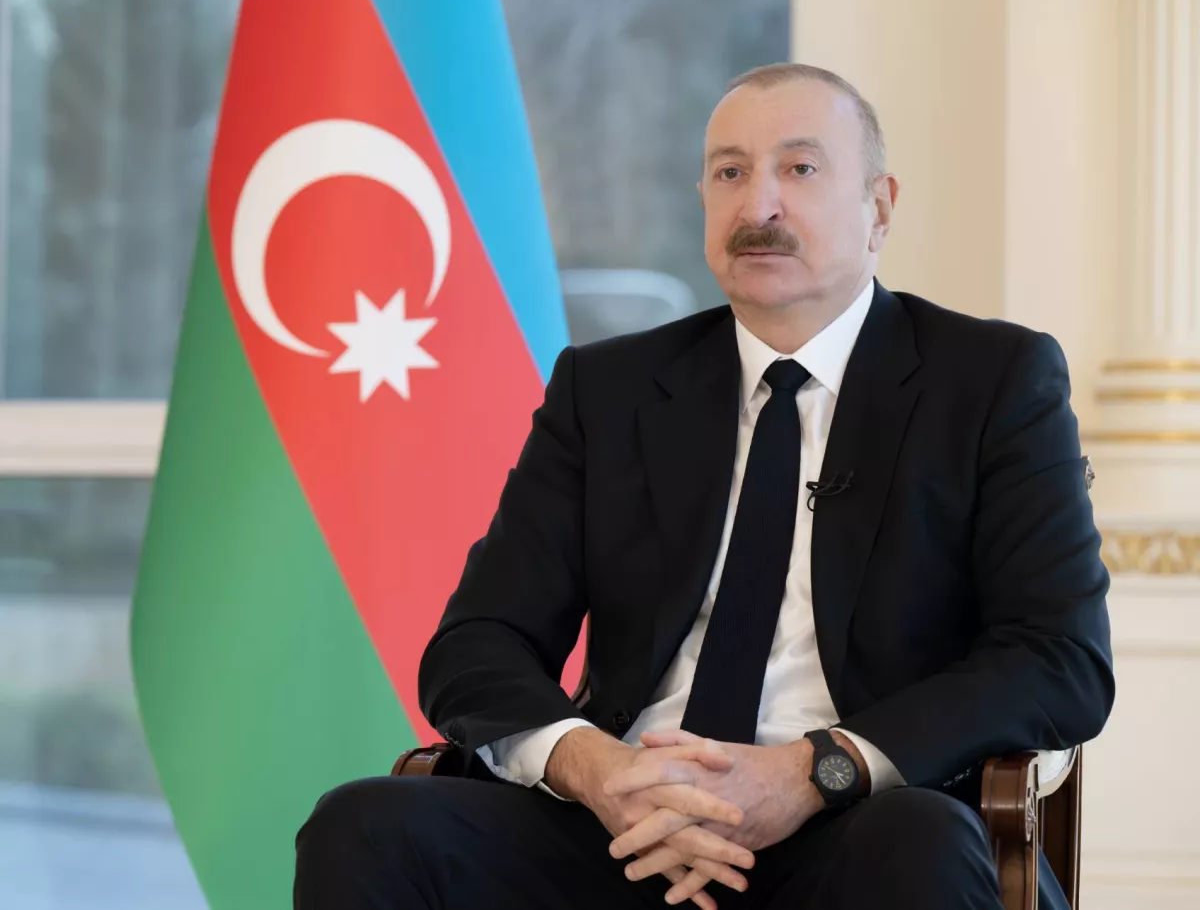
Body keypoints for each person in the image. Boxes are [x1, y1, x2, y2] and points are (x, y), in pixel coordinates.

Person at [293, 62, 1114, 910]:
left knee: (921, 841)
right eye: (730, 172)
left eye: (799, 168)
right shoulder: (607, 390)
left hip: (857, 824)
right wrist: (596, 770)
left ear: (879, 208)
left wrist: (813, 771)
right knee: (363, 826)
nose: (759, 207)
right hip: (627, 824)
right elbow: (475, 645)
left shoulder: (991, 381)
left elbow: (1059, 660)